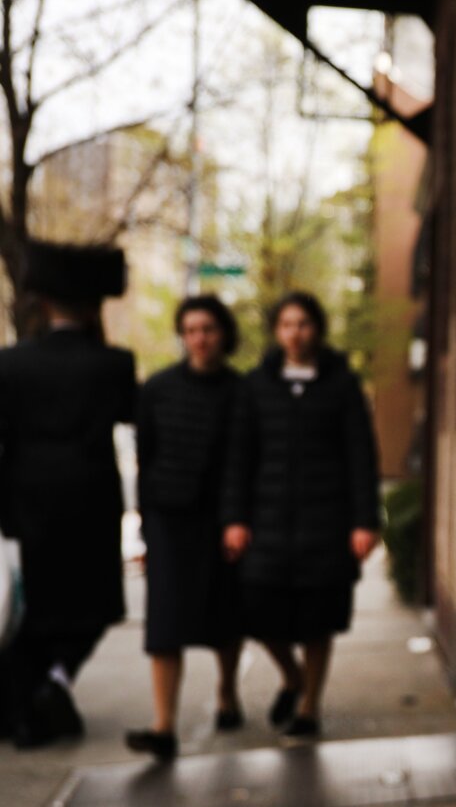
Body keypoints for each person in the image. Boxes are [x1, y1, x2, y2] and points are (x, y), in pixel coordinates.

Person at [222, 292, 380, 739]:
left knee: (318, 619)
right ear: (276, 331)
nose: (296, 333)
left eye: (304, 323)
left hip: (326, 524)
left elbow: (361, 457)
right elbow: (239, 457)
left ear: (318, 329)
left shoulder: (342, 385)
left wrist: (365, 521)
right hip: (266, 523)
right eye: (287, 324)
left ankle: (310, 704)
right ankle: (291, 677)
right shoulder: (256, 386)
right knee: (257, 612)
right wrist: (234, 518)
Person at [0, 242, 136, 748]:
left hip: (28, 499)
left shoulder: (12, 364)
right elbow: (133, 417)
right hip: (91, 499)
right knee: (92, 605)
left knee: (35, 608)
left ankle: (34, 700)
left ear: (42, 303)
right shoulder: (114, 363)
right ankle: (46, 691)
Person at [124, 296, 247, 762]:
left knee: (223, 618)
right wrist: (144, 526)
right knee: (165, 625)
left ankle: (227, 692)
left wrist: (236, 519)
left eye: (208, 329)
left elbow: (243, 462)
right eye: (191, 330)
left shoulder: (241, 391)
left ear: (223, 334)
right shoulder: (157, 389)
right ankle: (163, 726)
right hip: (168, 520)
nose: (199, 338)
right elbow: (145, 458)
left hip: (220, 521)